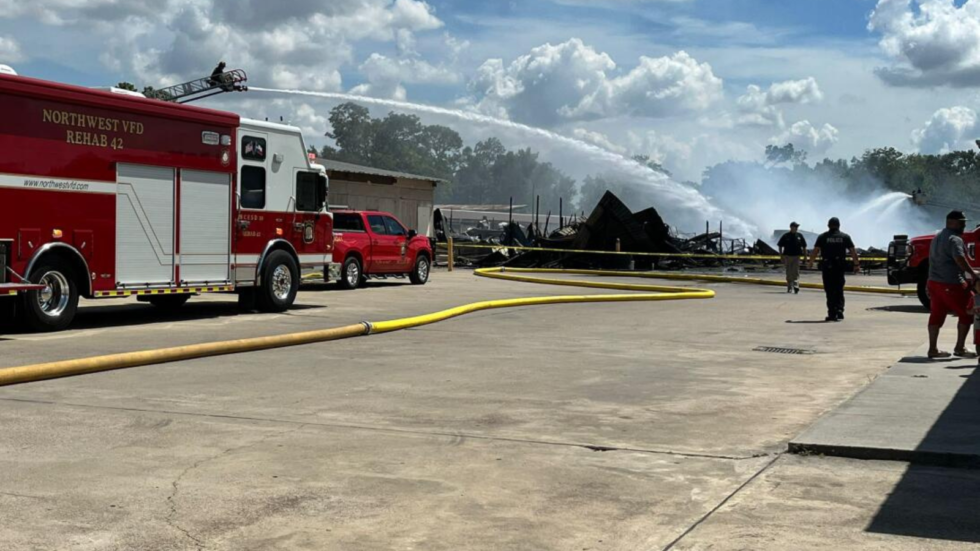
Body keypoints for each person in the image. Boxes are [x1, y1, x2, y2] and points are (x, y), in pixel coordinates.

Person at [926, 210, 978, 359]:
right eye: (961, 222)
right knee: (967, 312)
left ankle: (933, 349)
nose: (964, 225)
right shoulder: (955, 239)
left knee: (937, 314)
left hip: (934, 282)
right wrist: (973, 274)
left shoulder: (937, 237)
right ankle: (960, 347)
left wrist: (928, 281)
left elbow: (932, 260)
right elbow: (959, 258)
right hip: (952, 283)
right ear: (951, 222)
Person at [808, 217, 859, 322]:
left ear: (828, 225)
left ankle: (832, 313)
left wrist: (810, 262)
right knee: (839, 288)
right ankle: (840, 310)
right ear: (839, 225)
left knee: (829, 290)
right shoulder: (845, 237)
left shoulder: (822, 237)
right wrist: (856, 264)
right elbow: (853, 252)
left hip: (828, 267)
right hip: (840, 267)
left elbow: (815, 251)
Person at [777, 221, 807, 294]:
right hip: (787, 257)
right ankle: (789, 287)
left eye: (797, 227)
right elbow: (780, 246)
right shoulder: (786, 236)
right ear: (791, 227)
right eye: (795, 227)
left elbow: (804, 246)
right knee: (789, 272)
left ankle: (796, 286)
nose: (796, 228)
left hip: (796, 257)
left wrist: (805, 257)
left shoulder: (799, 236)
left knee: (796, 272)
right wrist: (781, 256)